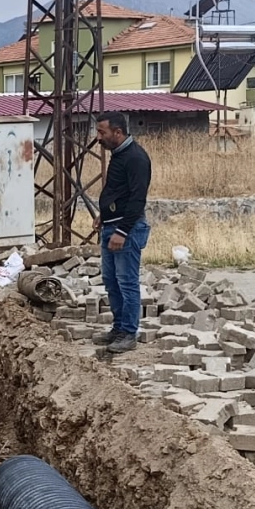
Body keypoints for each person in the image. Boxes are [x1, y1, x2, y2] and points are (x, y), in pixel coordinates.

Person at [94, 111, 152, 354]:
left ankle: (129, 333)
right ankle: (118, 329)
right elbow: (117, 191)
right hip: (112, 226)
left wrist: (122, 231)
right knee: (111, 281)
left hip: (125, 231)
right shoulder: (118, 155)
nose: (99, 138)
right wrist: (104, 216)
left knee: (127, 283)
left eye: (102, 133)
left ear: (118, 132)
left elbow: (137, 199)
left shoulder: (136, 158)